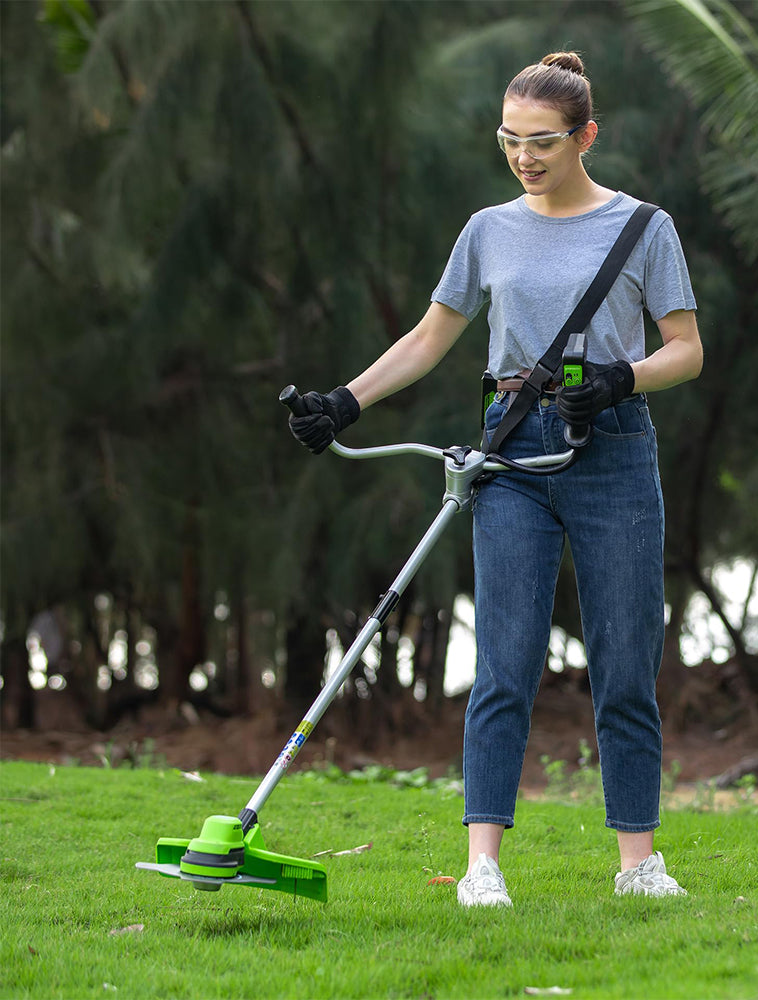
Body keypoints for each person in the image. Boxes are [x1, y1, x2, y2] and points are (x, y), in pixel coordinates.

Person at [288, 51, 703, 905]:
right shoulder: (487, 229)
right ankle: (483, 867)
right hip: (511, 451)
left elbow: (687, 350)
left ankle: (639, 865)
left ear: (586, 135)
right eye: (510, 139)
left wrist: (620, 378)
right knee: (503, 664)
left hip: (613, 449)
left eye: (542, 140)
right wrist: (344, 402)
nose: (524, 156)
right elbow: (428, 338)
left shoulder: (643, 227)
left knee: (626, 665)